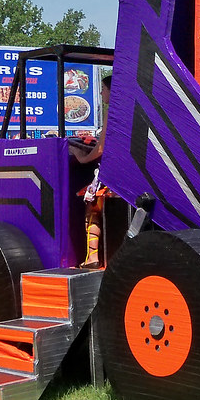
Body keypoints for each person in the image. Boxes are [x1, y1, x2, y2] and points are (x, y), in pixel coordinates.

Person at [68, 75, 112, 268]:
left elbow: (101, 148)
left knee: (92, 210)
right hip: (128, 174)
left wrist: (81, 157)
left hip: (110, 174)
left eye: (103, 88)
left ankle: (92, 258)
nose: (101, 92)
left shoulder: (112, 112)